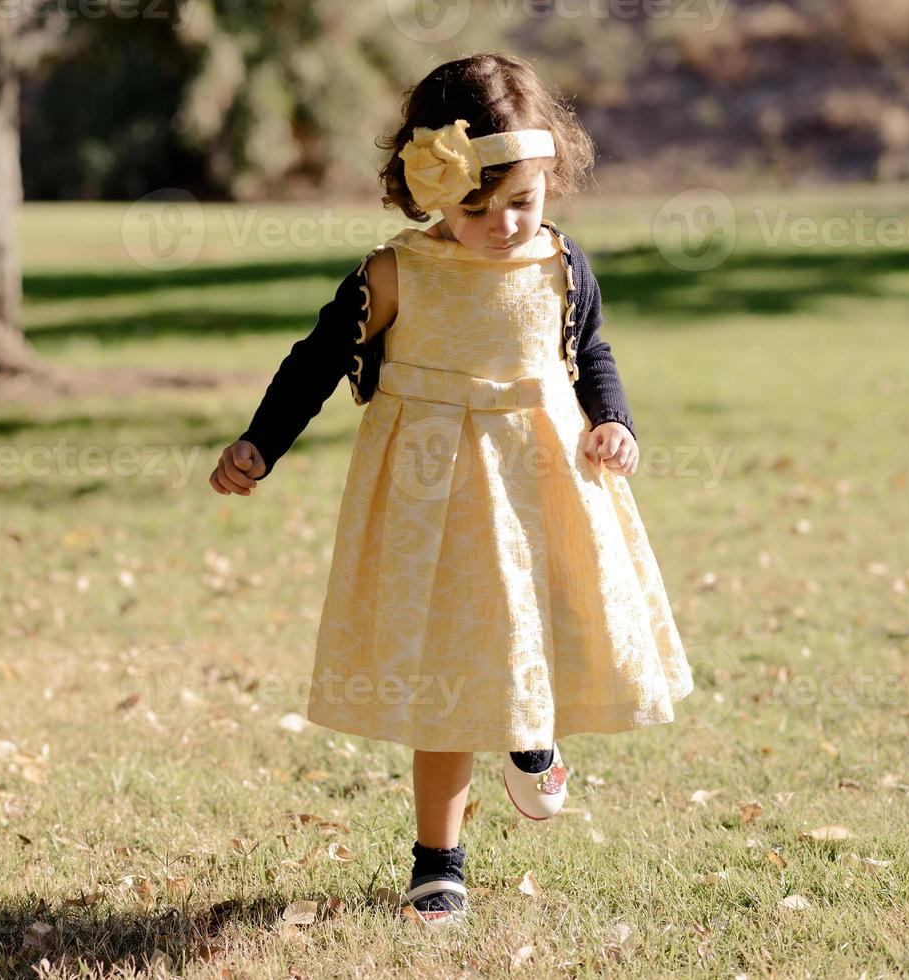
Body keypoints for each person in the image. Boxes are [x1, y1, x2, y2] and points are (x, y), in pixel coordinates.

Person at [208, 52, 695, 925]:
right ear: (430, 190)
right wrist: (258, 443)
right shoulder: (395, 275)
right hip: (432, 500)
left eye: (522, 200)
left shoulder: (560, 265)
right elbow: (316, 360)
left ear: (550, 180)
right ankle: (438, 859)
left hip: (542, 484)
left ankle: (530, 734)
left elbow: (588, 354)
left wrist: (612, 421)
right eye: (476, 206)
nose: (504, 224)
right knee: (444, 673)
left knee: (536, 628)